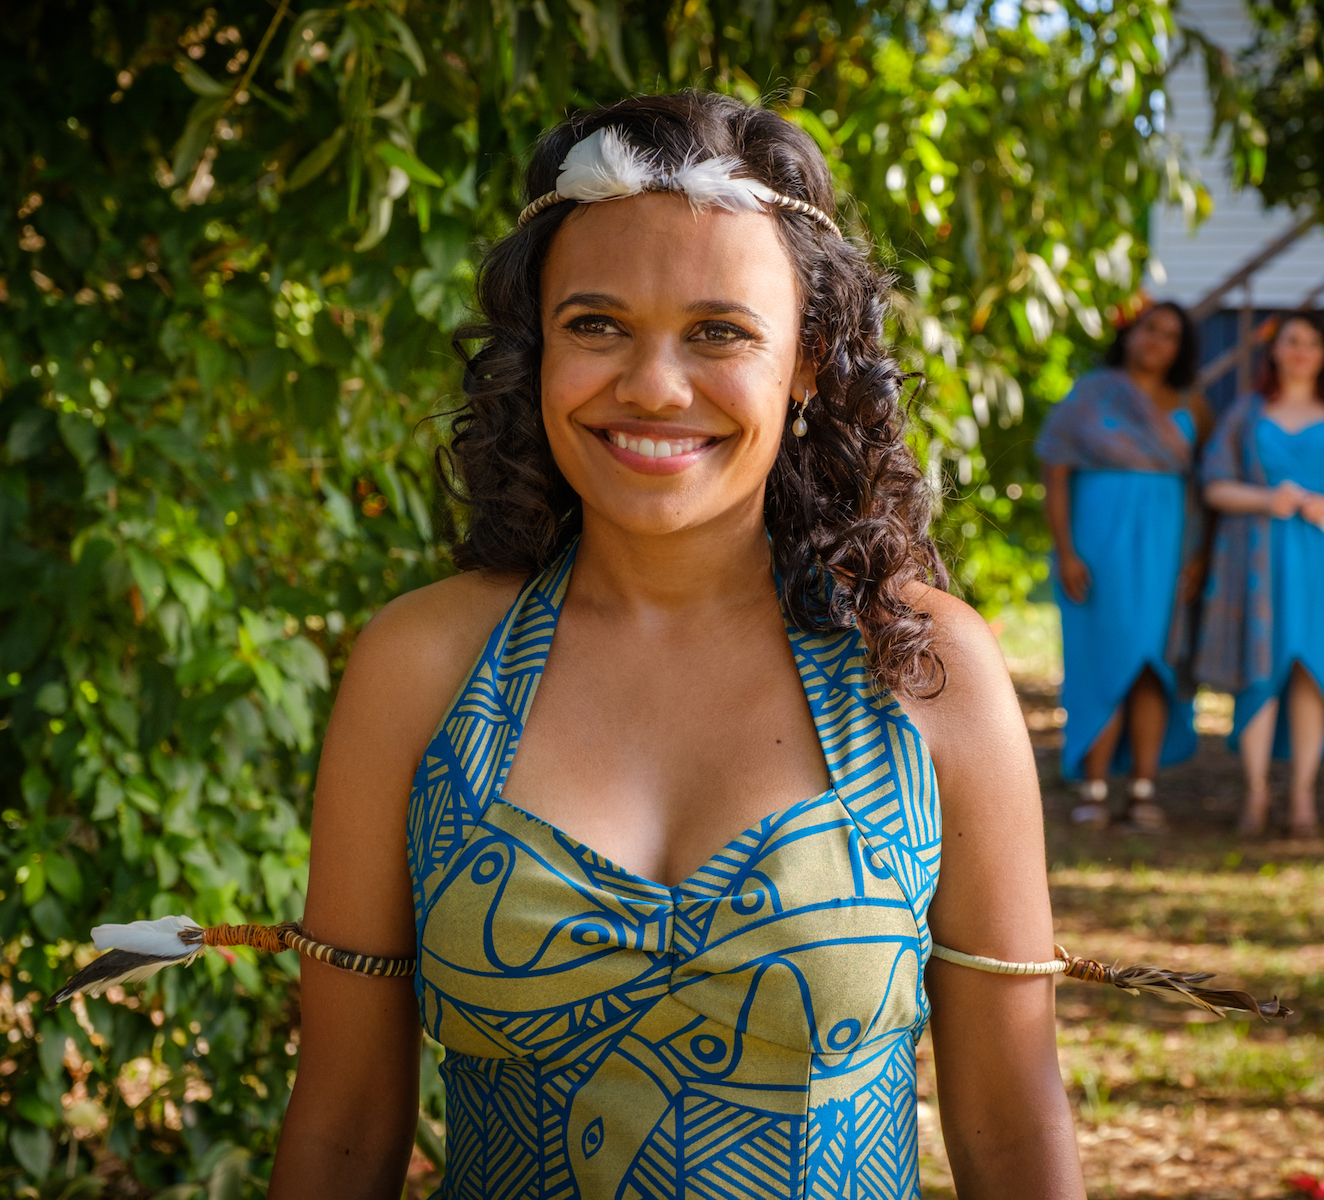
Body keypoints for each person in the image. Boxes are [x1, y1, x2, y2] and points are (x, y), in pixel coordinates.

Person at [270, 92, 1084, 1198]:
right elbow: (344, 1129)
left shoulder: (923, 671)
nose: (653, 385)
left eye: (720, 332)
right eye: (596, 324)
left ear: (808, 364)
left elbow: (1012, 1133)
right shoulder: (425, 669)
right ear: (537, 347)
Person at [1038, 301, 1213, 831]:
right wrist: (1066, 550)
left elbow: (1200, 491)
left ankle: (1142, 790)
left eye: (1170, 335)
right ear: (1130, 333)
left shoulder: (1194, 407)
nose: (1157, 341)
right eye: (1149, 329)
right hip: (1097, 546)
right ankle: (1092, 787)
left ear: (1182, 350)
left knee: (1152, 667)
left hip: (1166, 550)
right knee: (1101, 659)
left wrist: (1199, 555)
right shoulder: (1089, 395)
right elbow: (1057, 472)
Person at [1198, 312, 1324, 838]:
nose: (1301, 350)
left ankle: (1303, 797)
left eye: (1312, 342)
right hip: (1258, 555)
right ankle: (1255, 792)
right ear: (1274, 349)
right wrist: (1266, 498)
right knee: (1260, 668)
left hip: (1323, 557)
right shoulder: (1248, 411)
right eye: (1291, 341)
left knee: (1312, 673)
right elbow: (1214, 485)